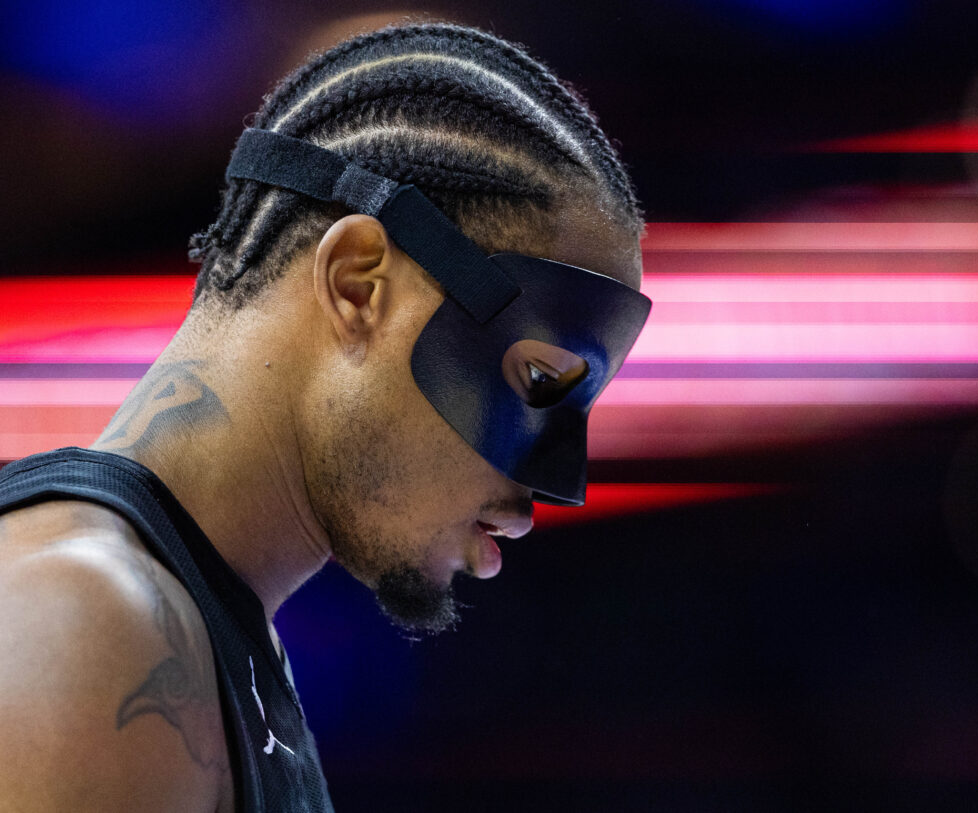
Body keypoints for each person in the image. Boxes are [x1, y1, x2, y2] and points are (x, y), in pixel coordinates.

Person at [0, 21, 649, 812]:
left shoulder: (210, 633)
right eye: (538, 381)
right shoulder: (91, 620)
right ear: (356, 285)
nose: (543, 494)